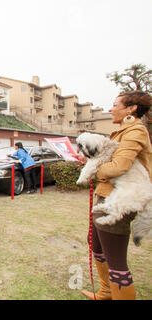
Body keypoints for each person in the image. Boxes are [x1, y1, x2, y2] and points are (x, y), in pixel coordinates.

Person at [80, 91, 152, 300]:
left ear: (131, 109)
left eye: (114, 104)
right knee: (95, 243)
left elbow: (119, 167)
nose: (110, 109)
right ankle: (106, 291)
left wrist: (92, 169)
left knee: (116, 261)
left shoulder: (136, 131)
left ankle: (116, 292)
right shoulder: (120, 131)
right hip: (106, 196)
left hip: (120, 200)